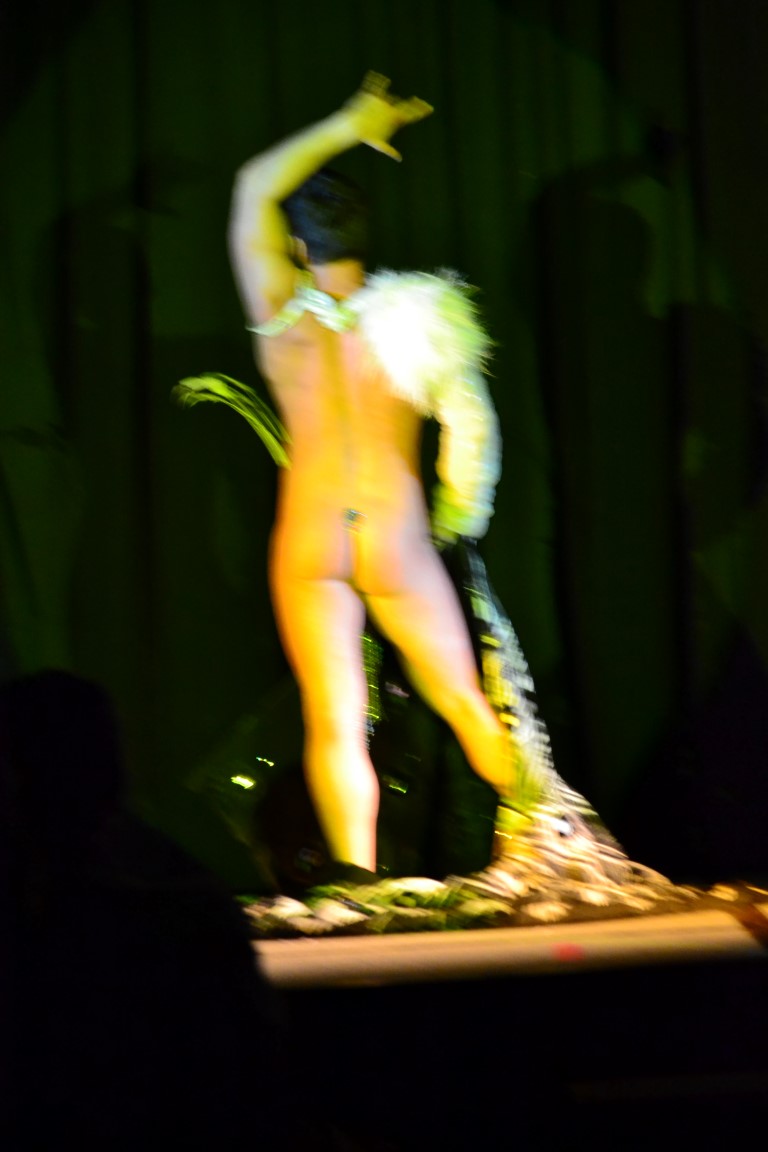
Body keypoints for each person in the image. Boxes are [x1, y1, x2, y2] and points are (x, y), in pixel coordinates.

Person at [225, 73, 529, 878]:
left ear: (297, 247)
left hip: (309, 537)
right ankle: (542, 841)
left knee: (335, 723)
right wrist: (458, 514)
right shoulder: (419, 321)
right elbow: (472, 428)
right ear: (366, 237)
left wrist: (348, 123)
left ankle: (359, 882)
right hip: (395, 534)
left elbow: (254, 184)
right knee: (466, 704)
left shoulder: (280, 312)